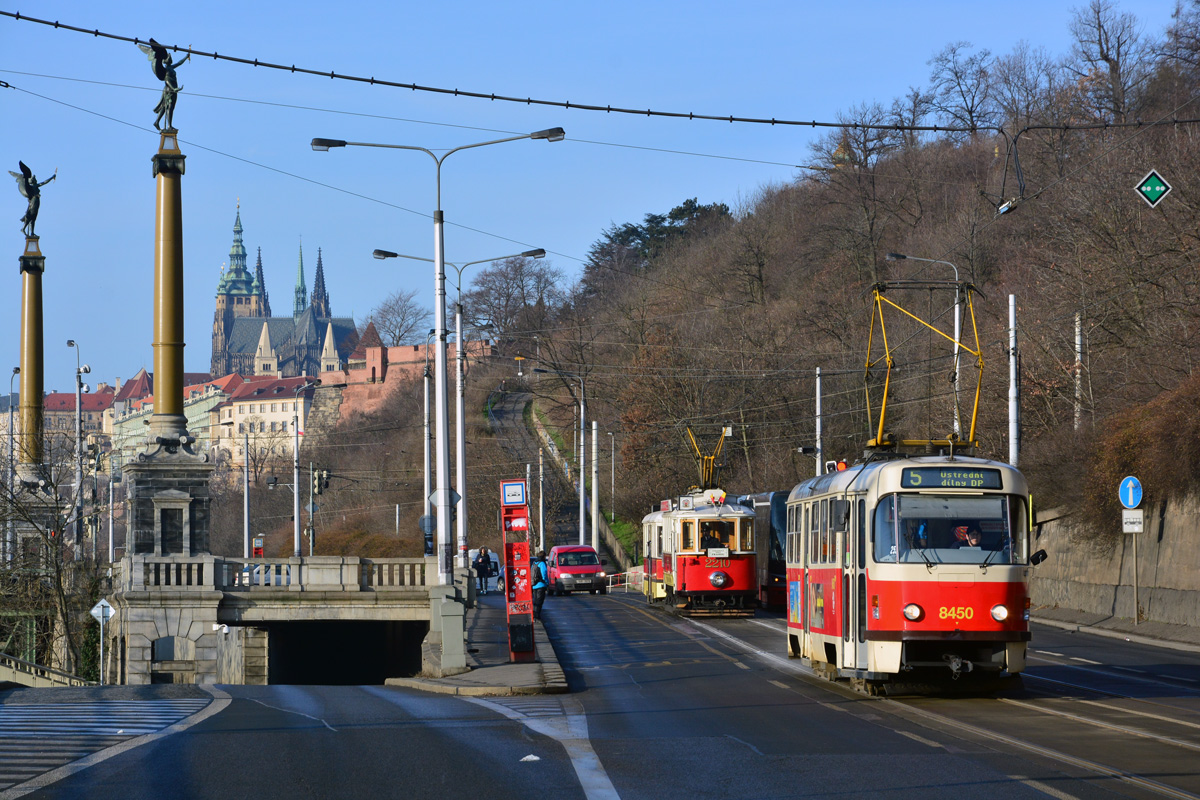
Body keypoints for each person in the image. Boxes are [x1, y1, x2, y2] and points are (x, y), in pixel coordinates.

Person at [531, 550, 549, 620]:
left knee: (535, 600)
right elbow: (544, 573)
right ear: (544, 556)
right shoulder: (542, 563)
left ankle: (535, 614)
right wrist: (546, 582)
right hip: (541, 584)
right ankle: (537, 616)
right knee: (539, 601)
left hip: (534, 585)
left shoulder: (534, 563)